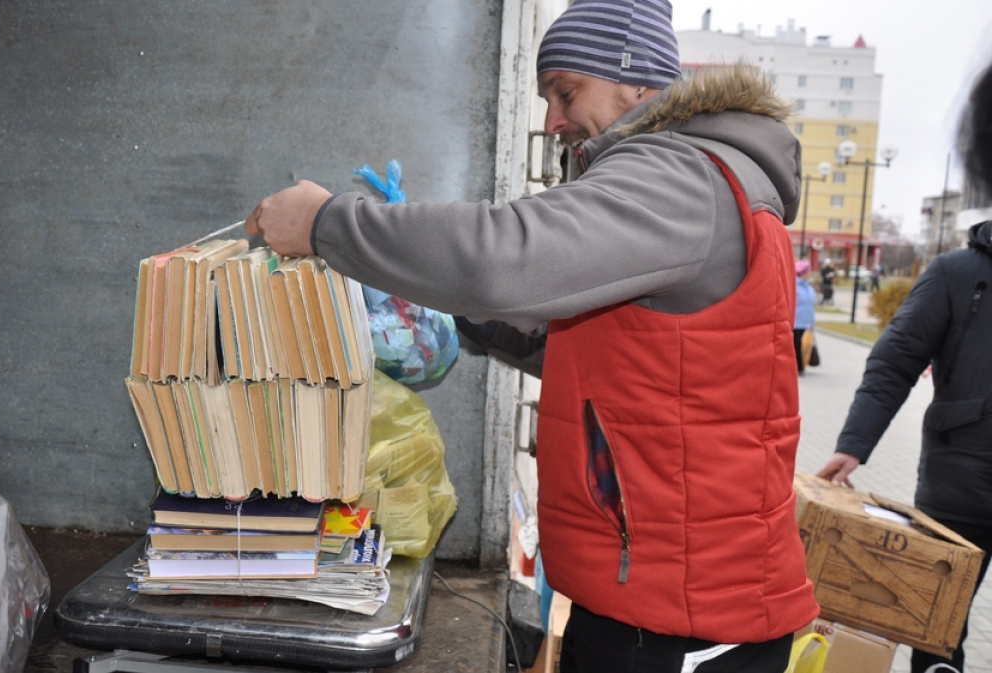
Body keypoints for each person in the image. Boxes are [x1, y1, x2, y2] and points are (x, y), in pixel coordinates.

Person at [245, 1, 819, 670]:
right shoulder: (691, 182)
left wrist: (329, 223)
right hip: (658, 604)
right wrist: (437, 296)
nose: (553, 120)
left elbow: (503, 259)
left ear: (637, 82)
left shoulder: (679, 178)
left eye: (566, 91)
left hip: (686, 623)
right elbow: (593, 350)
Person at [816, 60, 992, 673]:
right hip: (961, 485)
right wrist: (854, 445)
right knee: (938, 626)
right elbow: (893, 363)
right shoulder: (956, 274)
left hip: (956, 473)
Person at [794, 259, 817, 375]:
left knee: (805, 346)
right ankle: (798, 368)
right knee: (797, 346)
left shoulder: (808, 286)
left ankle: (802, 365)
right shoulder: (794, 285)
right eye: (808, 271)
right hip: (796, 322)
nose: (810, 273)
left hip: (807, 322)